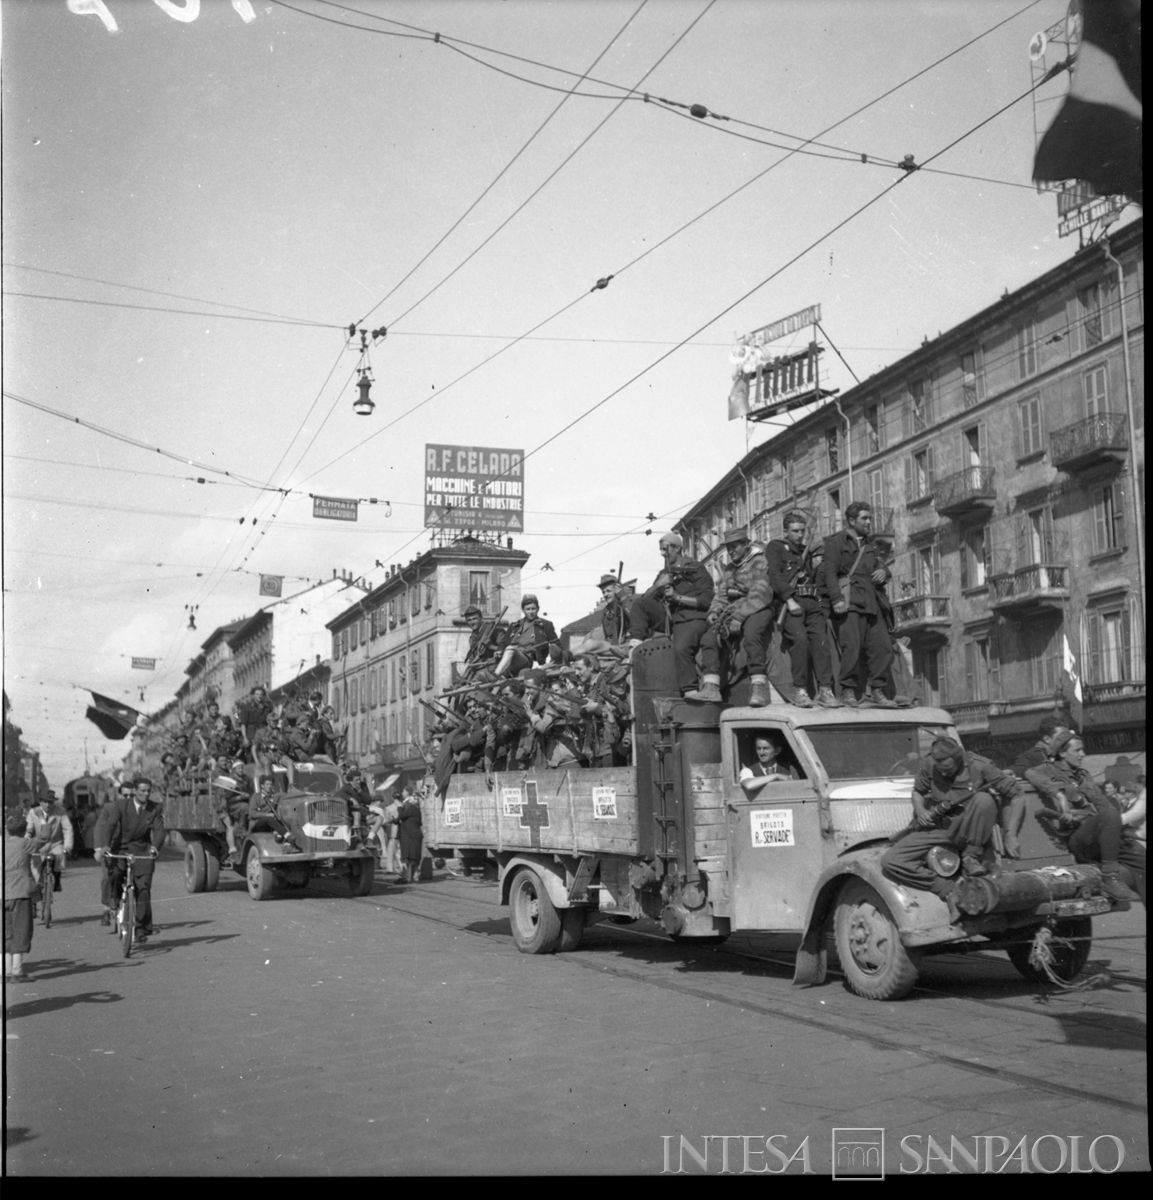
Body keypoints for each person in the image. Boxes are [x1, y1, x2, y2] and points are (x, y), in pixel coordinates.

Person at [881, 738, 1021, 907]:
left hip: (967, 830)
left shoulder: (980, 766)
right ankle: (949, 889)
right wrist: (921, 811)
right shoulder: (929, 764)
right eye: (940, 770)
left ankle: (971, 857)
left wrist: (1010, 834)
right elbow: (917, 792)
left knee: (984, 799)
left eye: (948, 769)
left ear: (959, 760)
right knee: (891, 860)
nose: (944, 774)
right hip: (936, 828)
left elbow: (1017, 795)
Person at [1025, 732, 1144, 904]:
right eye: (1078, 750)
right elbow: (1030, 774)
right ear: (1062, 753)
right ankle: (1110, 877)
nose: (1083, 755)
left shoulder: (1083, 775)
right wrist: (1060, 796)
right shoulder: (1045, 770)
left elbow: (1103, 804)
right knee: (1109, 816)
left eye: (1083, 750)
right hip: (1077, 839)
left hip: (1098, 835)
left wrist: (1119, 826)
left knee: (1139, 855)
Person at [688, 526, 774, 706]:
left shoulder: (759, 562)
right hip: (734, 609)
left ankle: (759, 687)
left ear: (746, 544)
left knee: (752, 635)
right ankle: (711, 687)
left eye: (735, 546)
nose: (731, 551)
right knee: (708, 638)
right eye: (729, 547)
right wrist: (714, 611)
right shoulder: (729, 569)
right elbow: (722, 595)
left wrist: (739, 617)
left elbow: (761, 593)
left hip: (758, 607)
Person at [821, 502, 895, 708]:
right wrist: (836, 599)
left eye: (870, 518)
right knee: (852, 647)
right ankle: (848, 690)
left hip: (872, 600)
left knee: (882, 647)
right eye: (865, 518)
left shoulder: (870, 544)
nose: (869, 522)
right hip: (849, 600)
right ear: (852, 521)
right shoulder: (836, 542)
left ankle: (878, 690)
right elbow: (829, 572)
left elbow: (881, 565)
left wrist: (885, 572)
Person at [766, 511, 840, 709]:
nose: (800, 535)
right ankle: (800, 689)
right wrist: (789, 600)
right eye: (795, 531)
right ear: (785, 531)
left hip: (812, 601)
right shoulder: (776, 548)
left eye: (802, 531)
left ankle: (825, 689)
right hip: (791, 602)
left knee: (821, 643)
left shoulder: (807, 550)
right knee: (799, 641)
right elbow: (774, 575)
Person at [94, 775, 166, 943]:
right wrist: (105, 845)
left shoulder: (155, 808)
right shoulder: (121, 805)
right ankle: (115, 899)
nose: (146, 794)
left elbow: (159, 830)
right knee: (115, 874)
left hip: (143, 850)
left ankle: (141, 928)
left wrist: (155, 847)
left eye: (148, 791)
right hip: (122, 848)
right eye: (142, 791)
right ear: (134, 791)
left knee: (143, 888)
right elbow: (111, 825)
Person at [644, 532, 714, 698]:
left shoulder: (695, 568)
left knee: (681, 647)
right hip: (673, 620)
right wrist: (658, 586)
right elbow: (646, 601)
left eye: (666, 549)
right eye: (661, 550)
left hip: (694, 618)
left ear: (677, 548)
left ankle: (689, 689)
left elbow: (706, 601)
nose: (663, 554)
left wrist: (677, 597)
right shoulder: (665, 572)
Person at [1004, 714, 1070, 858]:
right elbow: (1023, 772)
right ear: (1047, 739)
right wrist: (1060, 795)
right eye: (1061, 738)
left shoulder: (1058, 757)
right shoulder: (1035, 756)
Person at [5, 814, 51, 981]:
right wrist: (44, 820)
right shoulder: (25, 844)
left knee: (6, 932)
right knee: (21, 931)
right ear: (25, 830)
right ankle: (17, 971)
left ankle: (5, 970)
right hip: (20, 893)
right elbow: (44, 838)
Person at [494, 595, 561, 677]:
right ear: (523, 610)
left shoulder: (545, 625)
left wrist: (562, 662)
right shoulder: (515, 625)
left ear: (538, 609)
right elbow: (503, 642)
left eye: (533, 609)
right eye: (528, 609)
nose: (531, 612)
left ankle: (495, 676)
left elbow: (556, 643)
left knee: (510, 649)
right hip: (510, 658)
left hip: (527, 659)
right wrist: (499, 650)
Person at [26, 792, 75, 895]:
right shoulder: (33, 812)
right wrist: (28, 839)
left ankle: (57, 878)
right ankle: (37, 891)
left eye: (50, 802)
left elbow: (67, 829)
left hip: (55, 843)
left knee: (59, 857)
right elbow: (29, 829)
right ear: (40, 802)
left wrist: (67, 846)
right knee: (35, 871)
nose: (48, 805)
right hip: (39, 845)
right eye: (45, 802)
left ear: (54, 802)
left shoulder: (60, 812)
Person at [461, 605, 507, 678]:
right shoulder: (472, 638)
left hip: (494, 668)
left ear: (481, 618)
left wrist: (490, 646)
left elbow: (507, 651)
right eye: (469, 620)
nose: (472, 622)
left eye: (474, 619)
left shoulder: (494, 630)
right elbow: (474, 658)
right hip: (477, 668)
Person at [396, 787, 424, 883]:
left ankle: (408, 877)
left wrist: (399, 808)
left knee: (408, 857)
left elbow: (401, 816)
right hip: (416, 834)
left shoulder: (408, 807)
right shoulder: (417, 809)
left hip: (409, 835)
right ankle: (415, 876)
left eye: (403, 791)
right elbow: (420, 822)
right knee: (415, 857)